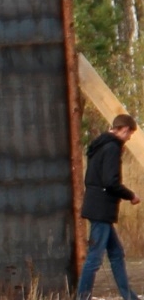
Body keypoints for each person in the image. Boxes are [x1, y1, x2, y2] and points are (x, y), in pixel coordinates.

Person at [77, 114, 141, 300]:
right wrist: (131, 195)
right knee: (94, 258)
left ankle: (129, 296)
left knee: (116, 253)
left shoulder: (99, 145)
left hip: (96, 206)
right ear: (124, 129)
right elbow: (110, 182)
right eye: (129, 134)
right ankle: (82, 297)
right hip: (101, 209)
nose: (129, 138)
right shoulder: (112, 147)